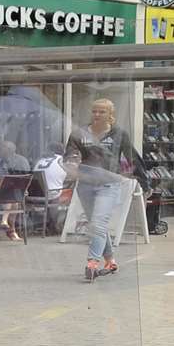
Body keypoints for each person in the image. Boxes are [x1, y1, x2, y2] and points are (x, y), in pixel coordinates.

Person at [63, 97, 148, 281]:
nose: (97, 115)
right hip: (85, 184)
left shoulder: (119, 134)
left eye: (102, 112)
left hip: (109, 184)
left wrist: (143, 181)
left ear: (111, 115)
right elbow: (70, 155)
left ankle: (92, 262)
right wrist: (71, 166)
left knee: (98, 223)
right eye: (94, 111)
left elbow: (132, 157)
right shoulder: (80, 134)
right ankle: (110, 261)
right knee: (96, 224)